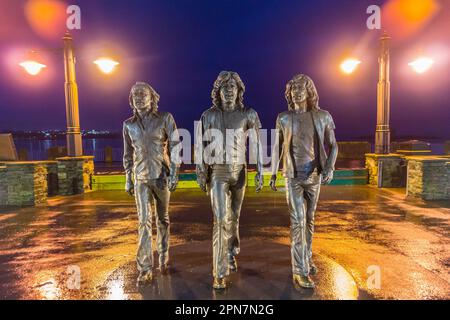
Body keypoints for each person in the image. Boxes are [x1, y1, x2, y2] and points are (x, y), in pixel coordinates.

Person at [195, 71, 264, 289]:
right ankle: (220, 271)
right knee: (220, 220)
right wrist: (201, 172)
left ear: (239, 91)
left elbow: (257, 145)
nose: (229, 91)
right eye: (225, 88)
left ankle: (232, 251)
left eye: (233, 88)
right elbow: (200, 146)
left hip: (240, 172)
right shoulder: (208, 115)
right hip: (218, 172)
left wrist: (261, 171)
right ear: (218, 92)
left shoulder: (248, 114)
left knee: (234, 218)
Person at [270, 74, 338, 289]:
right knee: (298, 223)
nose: (297, 92)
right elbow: (277, 147)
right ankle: (299, 271)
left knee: (309, 220)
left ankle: (307, 259)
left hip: (314, 176)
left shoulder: (323, 116)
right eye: (293, 89)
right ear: (289, 94)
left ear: (310, 92)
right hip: (293, 177)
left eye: (301, 88)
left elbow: (333, 146)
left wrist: (329, 168)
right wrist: (272, 173)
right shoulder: (283, 118)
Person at [123, 82, 180, 286]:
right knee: (144, 222)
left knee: (163, 219)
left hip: (161, 177)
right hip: (140, 179)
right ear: (131, 99)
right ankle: (145, 268)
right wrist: (128, 177)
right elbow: (127, 154)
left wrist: (174, 173)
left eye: (143, 94)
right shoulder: (128, 125)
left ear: (152, 97)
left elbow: (175, 145)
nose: (139, 97)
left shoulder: (165, 118)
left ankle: (163, 254)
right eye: (135, 94)